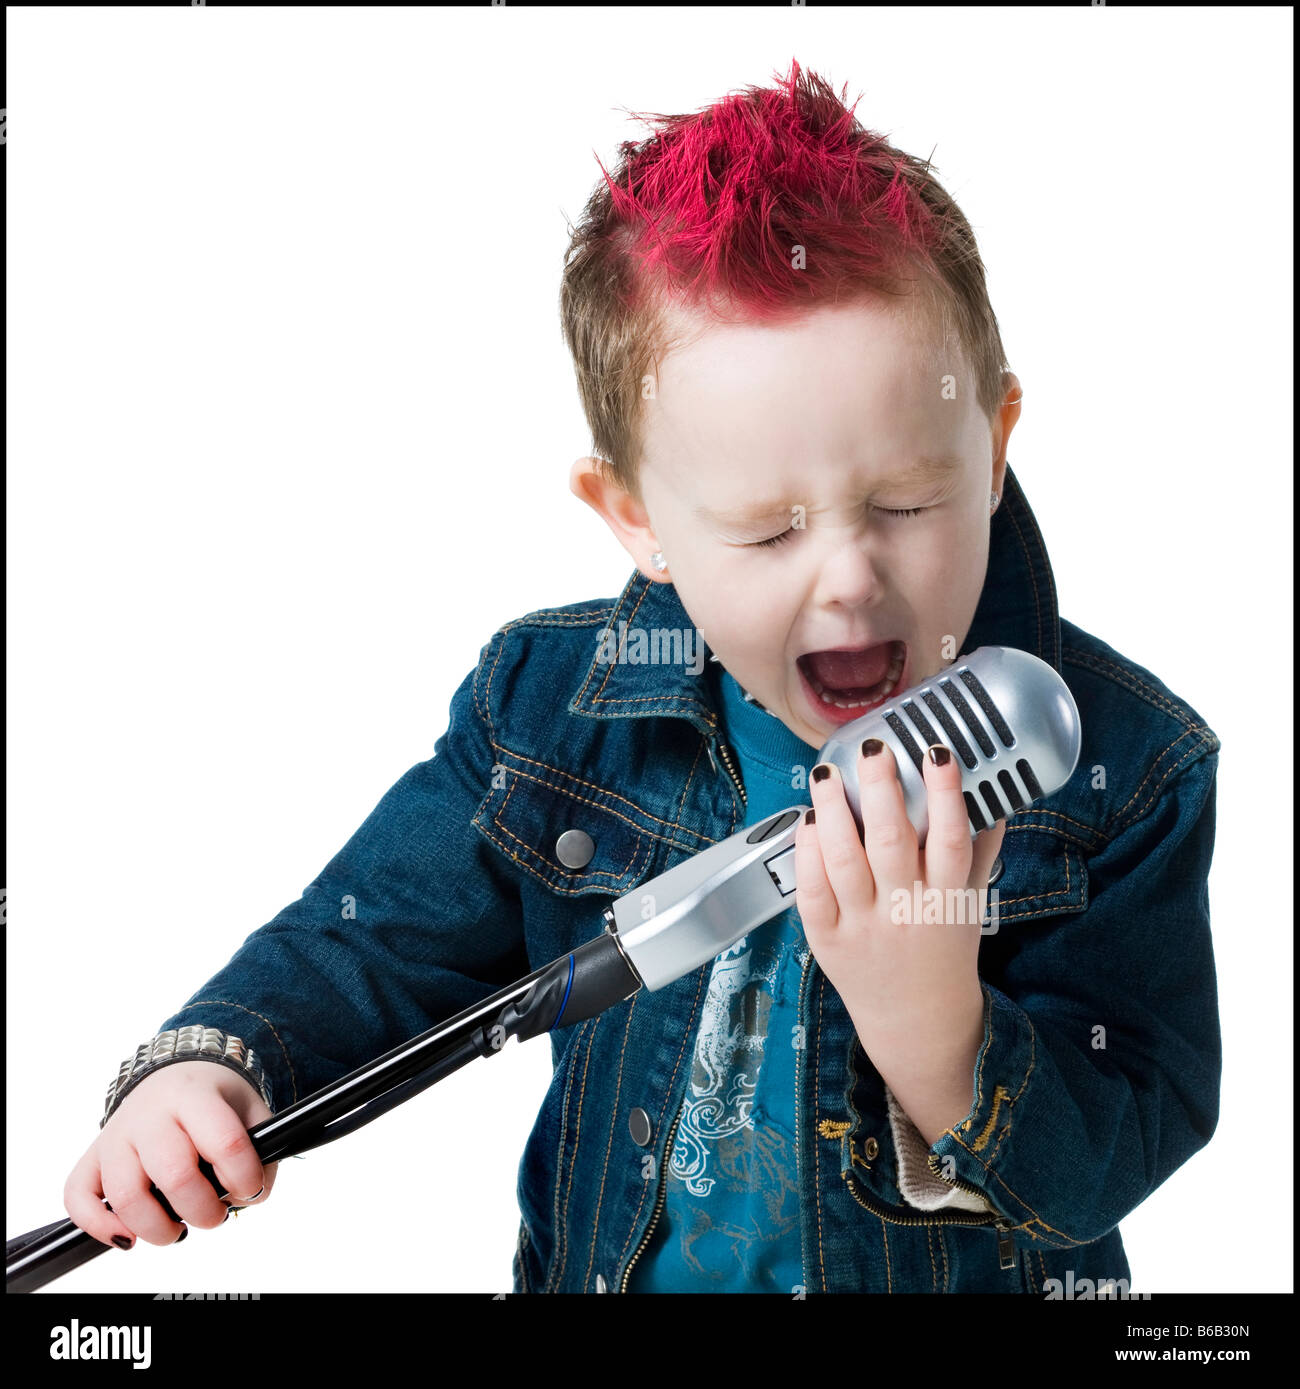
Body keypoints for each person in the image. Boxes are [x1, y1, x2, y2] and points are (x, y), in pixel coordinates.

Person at [63, 59, 1221, 1294]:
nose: (848, 577)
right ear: (633, 516)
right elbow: (371, 941)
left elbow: (1128, 1130)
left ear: (989, 448)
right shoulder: (549, 712)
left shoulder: (1121, 768)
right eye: (767, 530)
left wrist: (937, 1034)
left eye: (907, 500)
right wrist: (211, 1069)